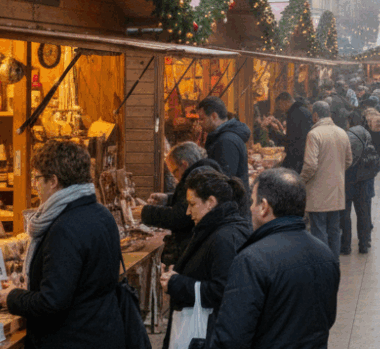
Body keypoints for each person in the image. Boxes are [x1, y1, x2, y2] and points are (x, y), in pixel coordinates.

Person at [0, 141, 125, 348]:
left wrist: (13, 297)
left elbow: (52, 302)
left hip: (72, 339)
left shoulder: (64, 227)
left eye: (37, 178)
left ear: (53, 181)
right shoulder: (101, 213)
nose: (35, 184)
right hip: (102, 332)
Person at [206, 168, 340, 349]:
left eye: (253, 202)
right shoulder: (326, 254)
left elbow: (231, 337)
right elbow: (327, 319)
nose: (251, 209)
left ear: (264, 207)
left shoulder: (251, 260)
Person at [160, 169, 252, 349]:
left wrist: (177, 283)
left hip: (210, 335)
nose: (187, 212)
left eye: (192, 204)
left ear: (210, 202)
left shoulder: (224, 237)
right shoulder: (216, 229)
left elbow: (223, 291)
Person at [139, 142, 221, 266]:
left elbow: (180, 216)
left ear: (184, 165)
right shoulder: (201, 172)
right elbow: (185, 201)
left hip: (195, 248)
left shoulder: (197, 178)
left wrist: (144, 212)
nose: (175, 177)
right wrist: (167, 198)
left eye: (174, 172)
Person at [301, 101, 353, 257]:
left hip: (318, 191)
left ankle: (322, 263)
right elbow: (349, 160)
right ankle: (334, 262)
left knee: (318, 229)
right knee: (334, 229)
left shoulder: (314, 134)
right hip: (336, 190)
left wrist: (300, 180)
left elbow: (310, 165)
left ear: (315, 115)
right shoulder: (342, 132)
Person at [341, 111, 380, 255]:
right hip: (365, 177)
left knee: (345, 212)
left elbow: (346, 158)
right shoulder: (366, 133)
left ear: (350, 122)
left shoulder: (348, 135)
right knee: (363, 212)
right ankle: (364, 244)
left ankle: (345, 245)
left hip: (349, 177)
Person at [196, 97, 252, 190]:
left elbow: (224, 180)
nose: (200, 123)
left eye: (202, 119)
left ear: (214, 116)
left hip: (231, 202)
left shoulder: (226, 141)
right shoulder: (224, 137)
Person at [276, 92, 313, 174]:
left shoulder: (294, 114)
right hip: (305, 153)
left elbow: (292, 139)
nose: (280, 108)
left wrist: (275, 133)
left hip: (297, 157)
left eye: (279, 105)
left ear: (284, 102)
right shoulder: (303, 110)